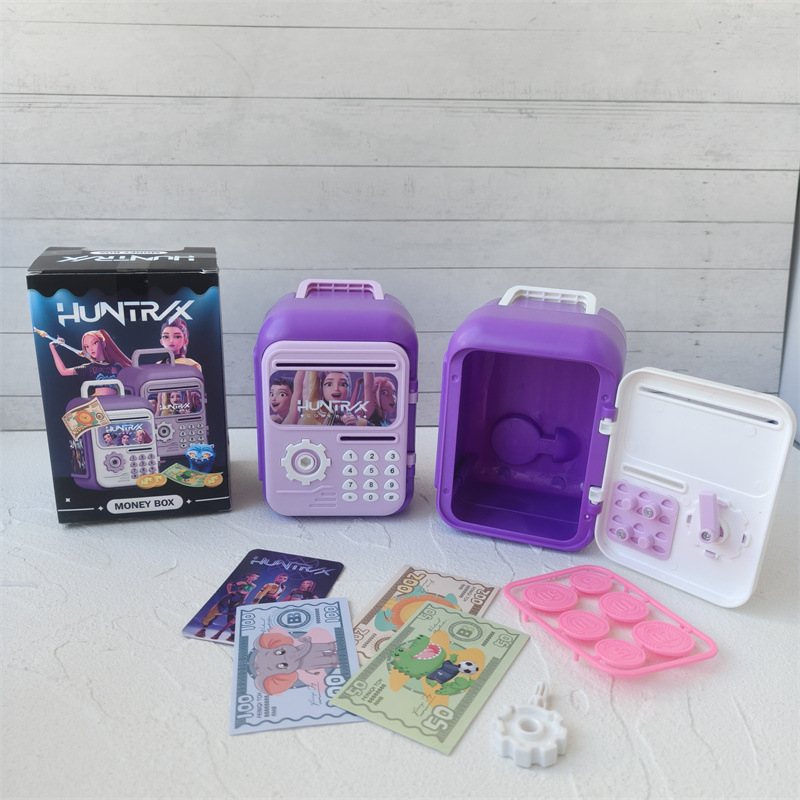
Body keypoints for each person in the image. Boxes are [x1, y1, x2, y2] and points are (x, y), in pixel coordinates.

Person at [48, 330, 131, 394]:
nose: (91, 349)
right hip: (98, 403)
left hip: (116, 401)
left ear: (103, 343)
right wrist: (52, 348)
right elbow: (63, 371)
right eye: (87, 346)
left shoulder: (116, 365)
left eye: (94, 343)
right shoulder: (88, 368)